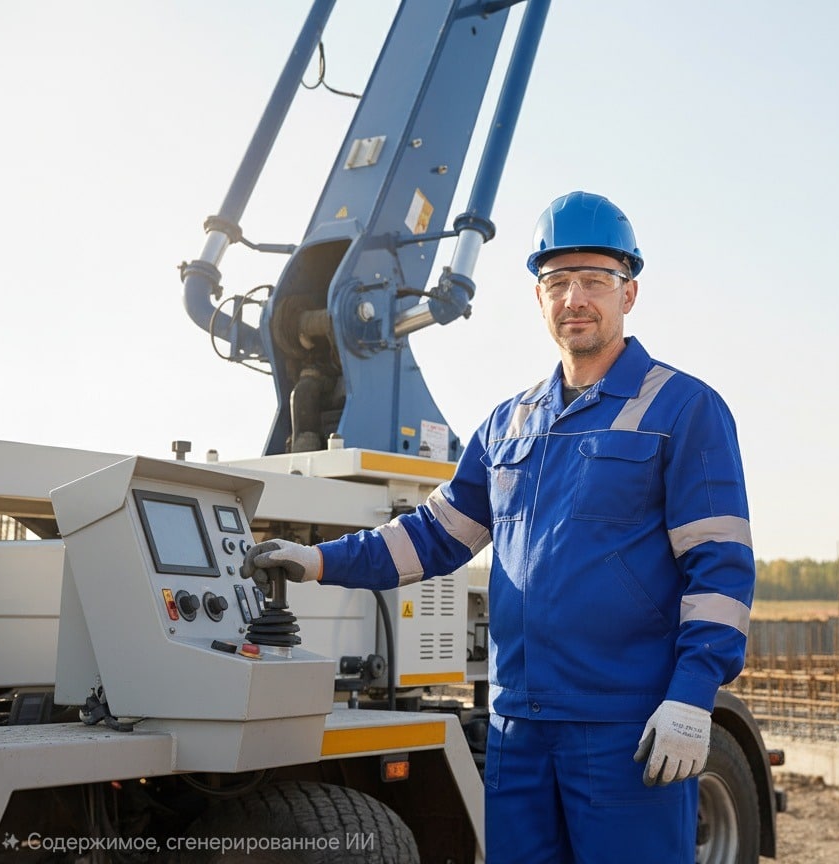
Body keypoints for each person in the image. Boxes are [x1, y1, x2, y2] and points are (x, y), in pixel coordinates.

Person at [242, 190, 756, 864]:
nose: (576, 297)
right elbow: (433, 536)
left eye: (595, 280)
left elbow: (719, 569)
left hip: (624, 725)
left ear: (628, 295)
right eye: (558, 281)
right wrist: (316, 562)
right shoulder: (511, 423)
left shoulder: (685, 408)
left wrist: (693, 698)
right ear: (539, 298)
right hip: (519, 729)